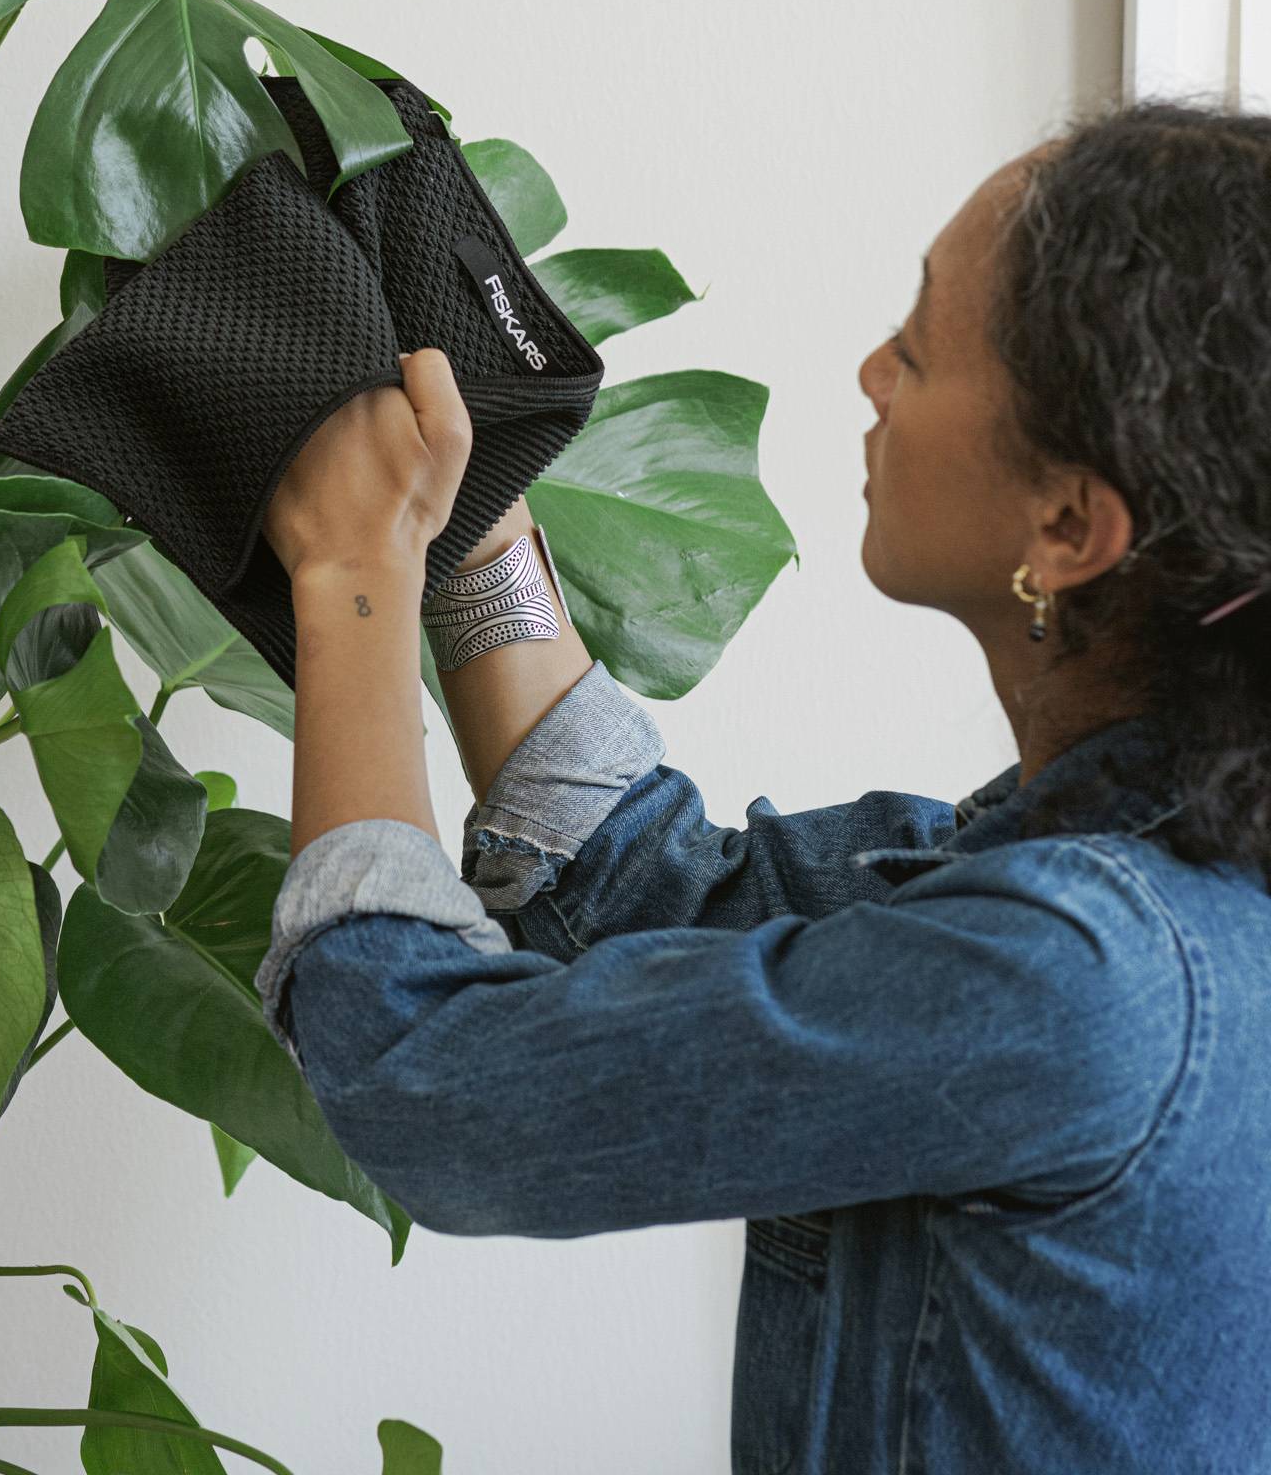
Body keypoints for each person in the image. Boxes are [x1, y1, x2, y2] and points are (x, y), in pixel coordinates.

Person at [255, 96, 1271, 1475]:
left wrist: (353, 577)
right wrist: (473, 519)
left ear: (1071, 527)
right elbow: (648, 888)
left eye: (918, 351)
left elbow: (426, 1082)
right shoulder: (1147, 878)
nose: (870, 370)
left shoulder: (1075, 977)